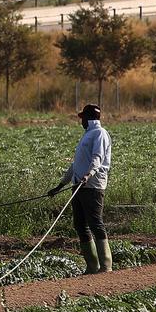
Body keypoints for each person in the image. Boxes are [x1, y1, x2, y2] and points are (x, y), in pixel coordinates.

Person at [48, 103, 112, 274]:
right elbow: (75, 165)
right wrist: (60, 185)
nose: (81, 121)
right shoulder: (87, 135)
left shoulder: (99, 133)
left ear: (88, 118)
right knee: (79, 224)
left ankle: (106, 266)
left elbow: (97, 158)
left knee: (95, 223)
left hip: (92, 186)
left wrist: (88, 175)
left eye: (82, 118)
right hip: (78, 186)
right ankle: (92, 266)